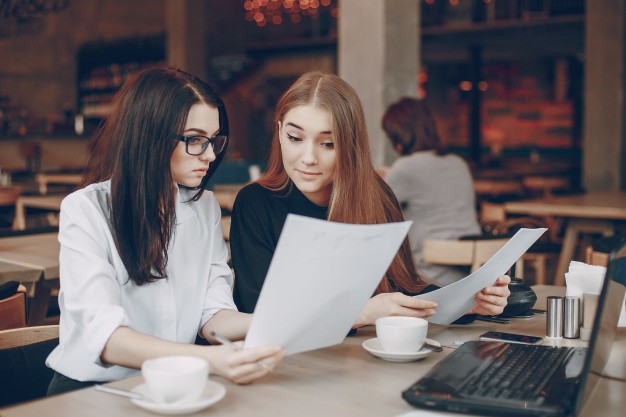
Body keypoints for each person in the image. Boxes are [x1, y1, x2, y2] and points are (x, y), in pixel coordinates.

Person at [46, 66, 285, 395]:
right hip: (91, 392)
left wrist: (283, 324)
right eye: (196, 140)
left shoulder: (204, 207)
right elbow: (106, 338)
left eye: (214, 140)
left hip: (174, 385)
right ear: (151, 136)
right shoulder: (87, 209)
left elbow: (213, 313)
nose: (211, 154)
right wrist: (210, 360)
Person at [229, 72, 509, 328]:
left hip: (358, 363)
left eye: (328, 143)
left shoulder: (376, 195)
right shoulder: (254, 203)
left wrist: (468, 303)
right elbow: (260, 313)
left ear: (350, 144)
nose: (309, 157)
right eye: (295, 138)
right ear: (279, 132)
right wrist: (363, 313)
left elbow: (404, 288)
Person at [381, 97, 482, 286]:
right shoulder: (458, 163)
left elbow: (375, 205)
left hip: (428, 276)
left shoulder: (405, 168)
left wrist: (385, 176)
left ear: (400, 136)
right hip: (471, 271)